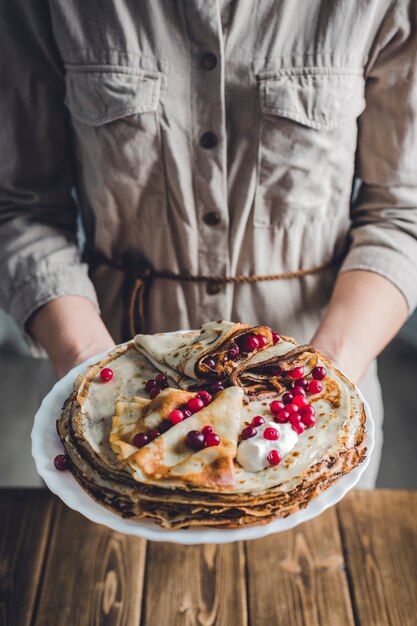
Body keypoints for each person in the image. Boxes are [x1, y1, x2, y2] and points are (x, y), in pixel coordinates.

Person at [1, 1, 417, 488]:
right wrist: (86, 365)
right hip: (114, 375)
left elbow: (401, 212)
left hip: (312, 397)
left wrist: (322, 379)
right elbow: (23, 206)